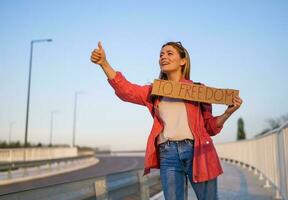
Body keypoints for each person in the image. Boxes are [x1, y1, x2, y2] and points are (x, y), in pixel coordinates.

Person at [90, 41, 243, 200]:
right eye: (161, 54)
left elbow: (209, 127)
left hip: (197, 152)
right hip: (168, 154)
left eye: (169, 53)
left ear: (183, 61)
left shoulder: (198, 90)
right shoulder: (154, 91)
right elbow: (126, 90)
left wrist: (227, 113)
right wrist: (104, 63)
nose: (163, 57)